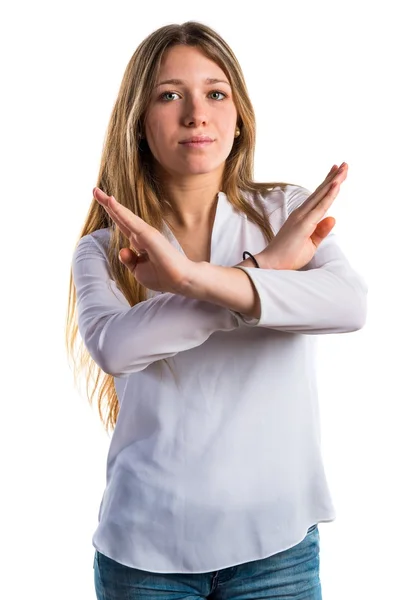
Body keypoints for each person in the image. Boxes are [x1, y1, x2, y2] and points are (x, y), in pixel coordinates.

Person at [66, 20, 367, 600]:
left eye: (215, 93)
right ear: (138, 120)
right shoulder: (105, 247)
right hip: (144, 556)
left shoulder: (283, 211)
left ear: (238, 116)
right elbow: (115, 348)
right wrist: (259, 277)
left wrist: (189, 281)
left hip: (277, 549)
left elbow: (349, 305)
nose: (196, 114)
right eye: (170, 94)